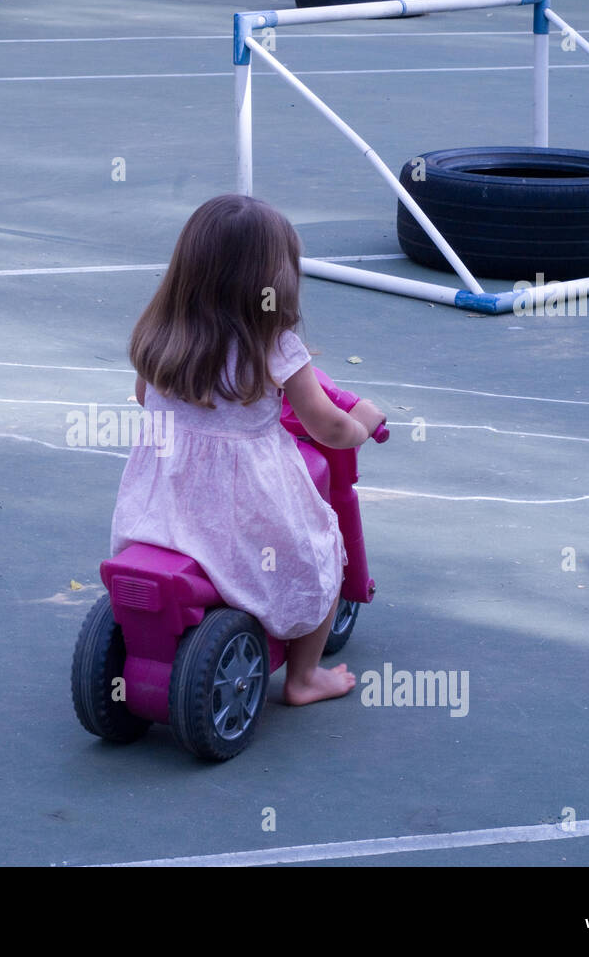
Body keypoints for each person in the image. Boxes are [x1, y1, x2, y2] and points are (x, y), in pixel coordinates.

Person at [110, 194, 386, 705]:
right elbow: (325, 426)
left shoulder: (160, 335)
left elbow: (144, 397)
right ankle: (304, 679)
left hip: (162, 505)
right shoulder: (275, 347)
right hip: (243, 505)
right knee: (322, 550)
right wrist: (363, 425)